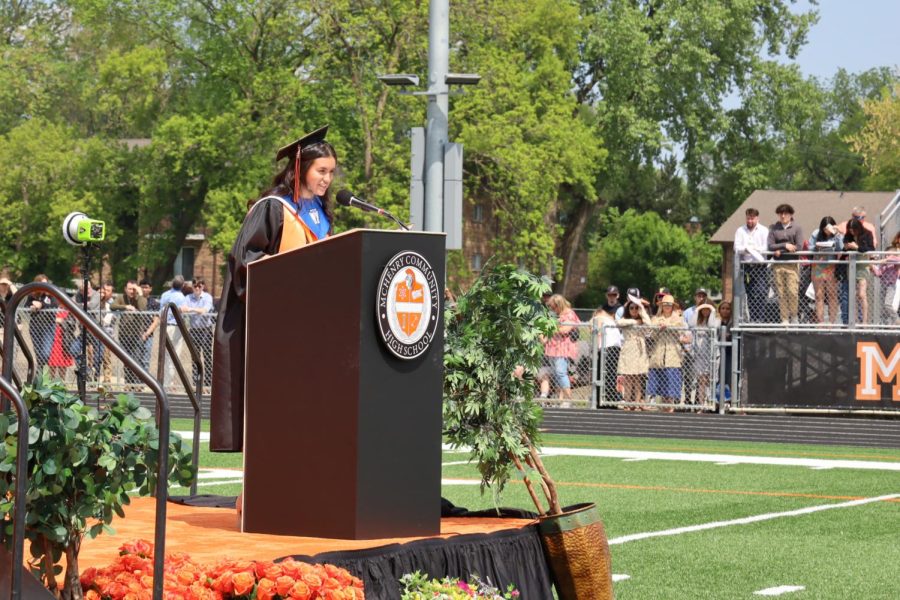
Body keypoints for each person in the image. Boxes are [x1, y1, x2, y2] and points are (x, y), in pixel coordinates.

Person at [211, 125, 336, 452]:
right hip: (273, 328)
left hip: (309, 328)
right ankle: (255, 490)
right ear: (300, 168)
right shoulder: (274, 207)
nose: (327, 179)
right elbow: (245, 260)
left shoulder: (321, 213)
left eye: (331, 173)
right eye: (321, 171)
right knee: (272, 406)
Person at [537, 294, 581, 405]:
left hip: (562, 349)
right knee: (558, 374)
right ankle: (560, 400)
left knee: (561, 373)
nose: (552, 309)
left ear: (558, 305)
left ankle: (568, 399)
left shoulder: (569, 314)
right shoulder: (555, 315)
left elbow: (565, 329)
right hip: (552, 348)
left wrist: (551, 327)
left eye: (553, 307)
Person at [648, 294, 689, 411]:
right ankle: (662, 407)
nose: (667, 306)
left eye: (669, 304)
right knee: (660, 383)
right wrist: (659, 327)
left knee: (671, 382)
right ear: (661, 305)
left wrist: (667, 325)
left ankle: (670, 407)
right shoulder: (656, 318)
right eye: (665, 304)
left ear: (672, 306)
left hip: (673, 354)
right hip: (659, 353)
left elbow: (679, 328)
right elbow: (652, 333)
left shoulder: (678, 318)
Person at [767, 204, 804, 325]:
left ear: (791, 214)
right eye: (780, 213)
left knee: (792, 291)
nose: (783, 216)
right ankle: (784, 319)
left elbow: (799, 246)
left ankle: (794, 316)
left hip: (792, 264)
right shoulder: (773, 228)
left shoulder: (797, 227)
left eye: (786, 213)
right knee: (781, 292)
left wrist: (780, 250)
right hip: (778, 265)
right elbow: (770, 246)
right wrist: (785, 245)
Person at [734, 208, 769, 322]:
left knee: (762, 292)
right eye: (748, 218)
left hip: (760, 266)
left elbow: (766, 248)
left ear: (757, 218)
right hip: (747, 267)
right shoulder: (740, 230)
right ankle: (753, 320)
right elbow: (736, 247)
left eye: (752, 218)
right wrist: (746, 249)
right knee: (750, 294)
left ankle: (761, 320)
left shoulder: (764, 230)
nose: (750, 221)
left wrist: (754, 249)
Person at [615, 296, 650, 410]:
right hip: (628, 350)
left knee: (637, 379)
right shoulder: (626, 320)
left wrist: (642, 308)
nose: (634, 310)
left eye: (636, 308)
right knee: (628, 378)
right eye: (632, 308)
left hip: (640, 351)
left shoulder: (643, 321)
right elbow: (618, 322)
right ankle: (628, 402)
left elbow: (649, 324)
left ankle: (636, 402)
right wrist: (635, 321)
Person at [111, 280, 148, 386]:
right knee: (126, 361)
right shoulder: (121, 297)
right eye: (130, 289)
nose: (132, 291)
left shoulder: (140, 298)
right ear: (125, 289)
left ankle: (136, 384)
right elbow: (112, 306)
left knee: (136, 360)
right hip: (124, 335)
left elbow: (142, 307)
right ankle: (128, 384)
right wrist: (125, 307)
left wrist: (140, 294)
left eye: (134, 289)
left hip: (136, 335)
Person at [807, 217, 843, 324]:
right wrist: (817, 247)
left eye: (829, 228)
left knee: (832, 294)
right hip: (818, 266)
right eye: (825, 228)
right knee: (819, 295)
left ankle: (832, 322)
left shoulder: (837, 235)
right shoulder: (816, 233)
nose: (827, 231)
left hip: (831, 266)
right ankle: (821, 322)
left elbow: (841, 249)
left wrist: (838, 235)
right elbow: (809, 248)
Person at [686, 303, 719, 407]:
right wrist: (697, 310)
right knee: (701, 380)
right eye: (703, 309)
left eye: (707, 309)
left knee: (710, 380)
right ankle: (701, 404)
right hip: (699, 355)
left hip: (712, 355)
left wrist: (712, 310)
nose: (705, 311)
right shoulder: (698, 321)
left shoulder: (716, 319)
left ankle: (710, 403)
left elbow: (711, 326)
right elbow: (691, 324)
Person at [159, 276, 189, 390]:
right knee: (173, 356)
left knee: (164, 355)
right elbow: (184, 309)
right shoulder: (181, 297)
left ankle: (163, 382)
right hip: (175, 327)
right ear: (183, 286)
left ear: (172, 284)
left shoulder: (165, 295)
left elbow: (161, 309)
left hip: (165, 326)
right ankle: (167, 384)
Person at [844, 218, 875, 324]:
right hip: (851, 265)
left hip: (862, 265)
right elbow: (844, 250)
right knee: (853, 295)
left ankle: (865, 322)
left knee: (862, 294)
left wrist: (857, 247)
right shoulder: (848, 236)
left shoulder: (867, 234)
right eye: (850, 230)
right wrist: (846, 247)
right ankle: (855, 320)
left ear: (858, 228)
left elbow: (870, 249)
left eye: (854, 230)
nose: (852, 232)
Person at [185, 278, 215, 389]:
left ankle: (207, 385)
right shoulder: (188, 297)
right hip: (194, 330)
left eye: (199, 286)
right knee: (195, 358)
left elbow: (205, 310)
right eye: (195, 286)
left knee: (207, 357)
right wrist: (189, 309)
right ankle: (196, 384)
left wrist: (190, 309)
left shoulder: (207, 297)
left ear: (203, 286)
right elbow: (182, 308)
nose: (197, 288)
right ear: (192, 286)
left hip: (205, 330)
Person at [592, 307, 622, 407]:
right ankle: (609, 400)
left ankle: (602, 401)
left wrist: (595, 349)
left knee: (602, 375)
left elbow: (598, 332)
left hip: (607, 348)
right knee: (610, 375)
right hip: (615, 348)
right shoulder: (611, 320)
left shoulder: (599, 317)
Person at [28, 274, 57, 371]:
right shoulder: (32, 295)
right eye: (42, 284)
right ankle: (40, 374)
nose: (45, 286)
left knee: (45, 353)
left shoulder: (51, 294)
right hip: (35, 327)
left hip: (48, 327)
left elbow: (54, 306)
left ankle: (40, 371)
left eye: (46, 284)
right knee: (38, 353)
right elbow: (25, 307)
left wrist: (41, 305)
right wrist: (31, 307)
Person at [872, 232, 900, 325]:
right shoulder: (884, 265)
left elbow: (896, 260)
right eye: (886, 255)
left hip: (891, 286)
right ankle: (886, 323)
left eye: (889, 254)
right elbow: (878, 273)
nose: (887, 256)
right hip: (883, 286)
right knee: (883, 306)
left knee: (888, 304)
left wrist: (886, 259)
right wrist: (872, 265)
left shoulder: (894, 262)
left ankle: (896, 319)